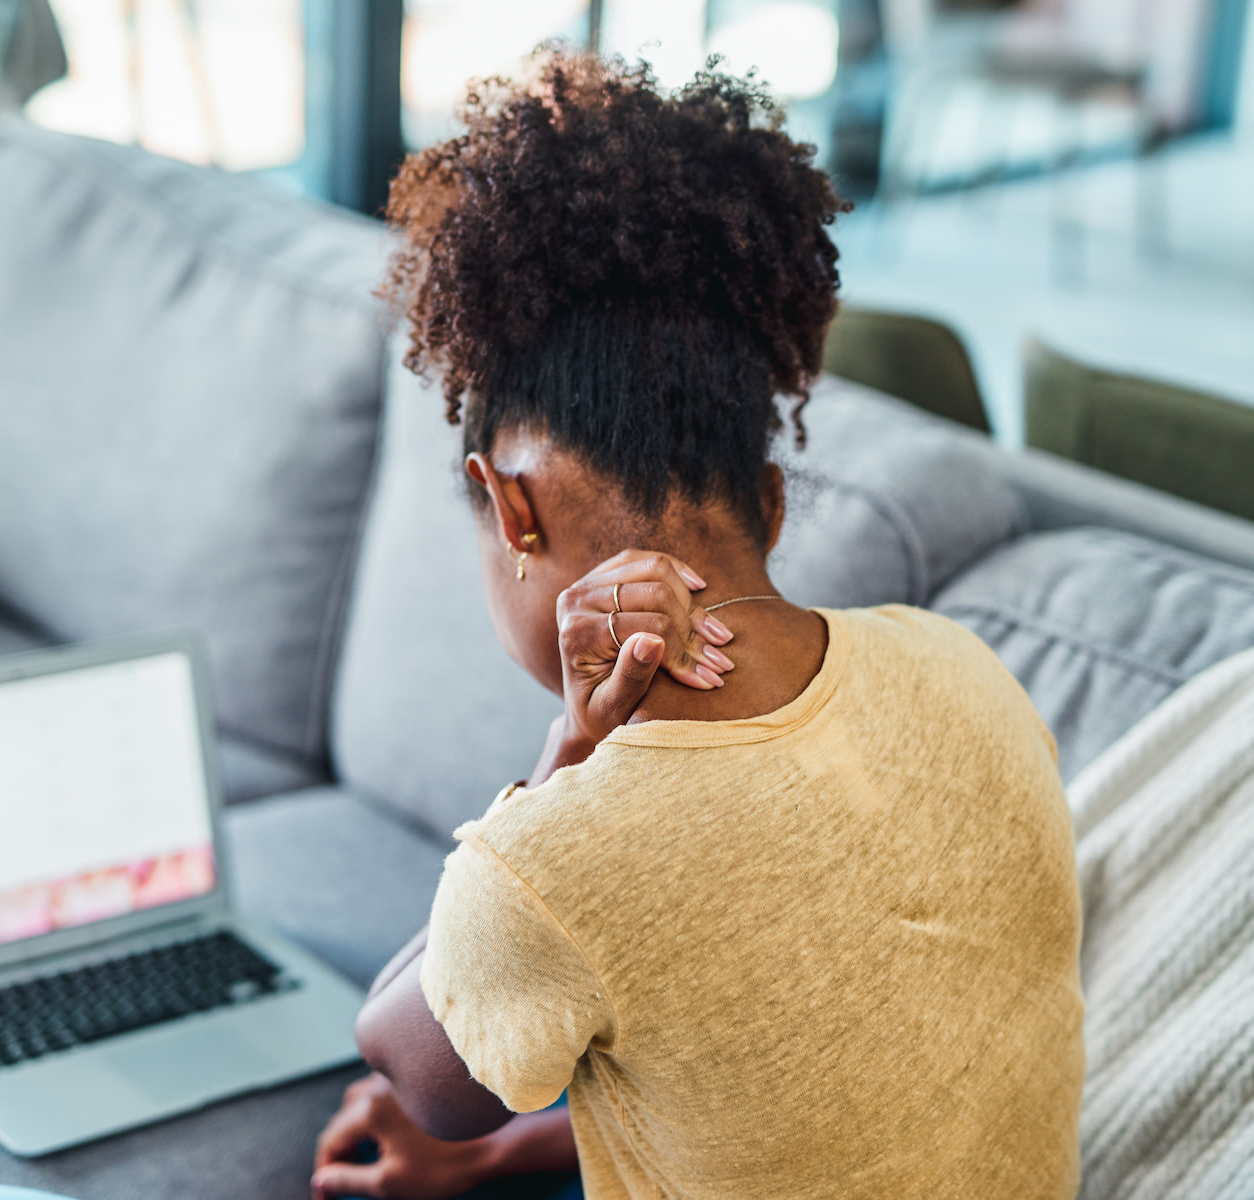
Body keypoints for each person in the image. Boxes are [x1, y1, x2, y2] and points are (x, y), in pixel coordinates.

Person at [311, 48, 1083, 1200]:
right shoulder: (968, 671)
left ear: (512, 507)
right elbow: (792, 1094)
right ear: (770, 503)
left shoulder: (558, 862)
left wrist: (558, 768)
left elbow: (407, 1060)